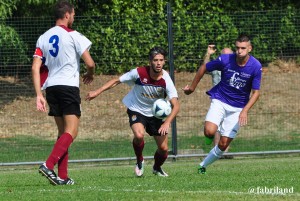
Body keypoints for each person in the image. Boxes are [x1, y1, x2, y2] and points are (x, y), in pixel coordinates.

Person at [85, 47, 180, 177]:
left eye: (161, 60)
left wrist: (167, 122)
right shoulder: (139, 73)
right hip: (136, 109)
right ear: (150, 61)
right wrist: (97, 91)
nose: (158, 63)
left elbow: (176, 105)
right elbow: (116, 81)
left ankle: (157, 168)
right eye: (155, 60)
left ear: (164, 62)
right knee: (139, 135)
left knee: (163, 150)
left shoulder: (166, 80)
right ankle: (139, 159)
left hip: (155, 115)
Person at [32, 0, 95, 185]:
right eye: (73, 14)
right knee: (72, 132)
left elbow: (35, 68)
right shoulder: (74, 35)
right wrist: (90, 73)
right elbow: (90, 63)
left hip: (51, 88)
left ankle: (63, 176)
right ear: (67, 15)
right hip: (68, 87)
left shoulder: (43, 37)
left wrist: (38, 94)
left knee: (63, 133)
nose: (74, 17)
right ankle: (48, 164)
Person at [183, 34, 262, 174]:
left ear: (250, 48)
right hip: (220, 99)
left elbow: (256, 93)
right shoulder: (225, 59)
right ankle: (209, 136)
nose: (239, 51)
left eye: (243, 48)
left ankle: (203, 165)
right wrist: (192, 88)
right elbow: (204, 68)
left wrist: (245, 111)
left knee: (223, 144)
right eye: (237, 48)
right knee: (209, 131)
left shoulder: (255, 66)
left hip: (238, 108)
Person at [203, 45, 234, 159]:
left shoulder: (236, 67)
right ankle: (217, 151)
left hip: (232, 100)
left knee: (228, 126)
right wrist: (208, 54)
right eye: (224, 54)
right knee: (215, 126)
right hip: (218, 99)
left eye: (229, 54)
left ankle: (225, 151)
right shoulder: (217, 66)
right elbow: (205, 67)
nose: (226, 57)